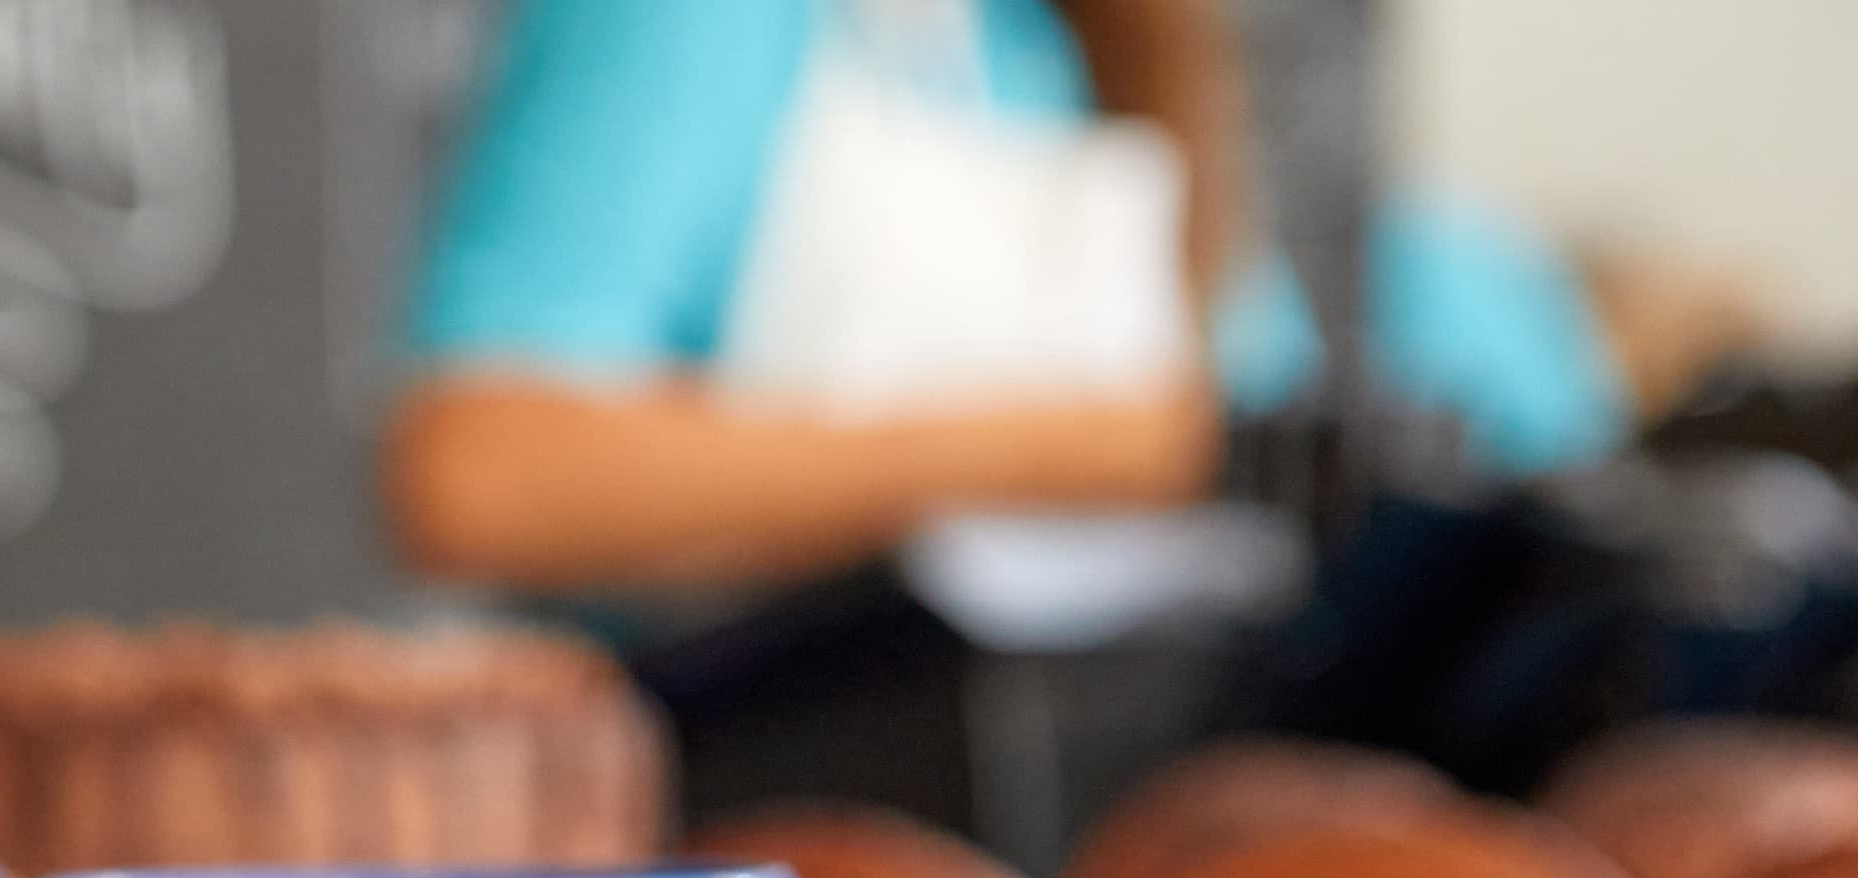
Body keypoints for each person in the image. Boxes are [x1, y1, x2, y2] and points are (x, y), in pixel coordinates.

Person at [386, 0, 1684, 594]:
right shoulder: (702, 25)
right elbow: (479, 466)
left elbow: (1377, 368)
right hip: (779, 810)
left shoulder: (1115, 65)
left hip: (1120, 811)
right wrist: (1090, 450)